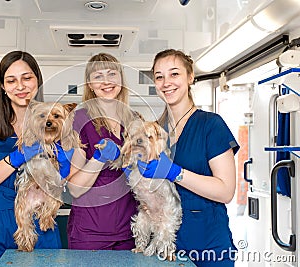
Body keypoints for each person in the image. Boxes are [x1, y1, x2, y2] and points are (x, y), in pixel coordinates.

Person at [0, 51, 67, 266]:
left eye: (27, 78)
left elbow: (67, 184)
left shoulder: (57, 127)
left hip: (39, 225)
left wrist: (64, 170)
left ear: (38, 81)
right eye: (11, 80)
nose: (20, 86)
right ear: (2, 87)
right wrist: (14, 159)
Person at [136, 49, 239, 266]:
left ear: (190, 77)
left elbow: (226, 191)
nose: (166, 83)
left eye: (174, 74)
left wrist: (175, 172)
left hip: (208, 244)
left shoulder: (211, 125)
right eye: (159, 77)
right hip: (166, 245)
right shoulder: (154, 131)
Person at [66, 52, 138, 250]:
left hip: (130, 230)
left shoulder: (134, 120)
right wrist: (99, 158)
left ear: (121, 78)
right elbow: (74, 188)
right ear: (90, 84)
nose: (106, 81)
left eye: (112, 74)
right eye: (98, 76)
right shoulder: (79, 120)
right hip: (90, 233)